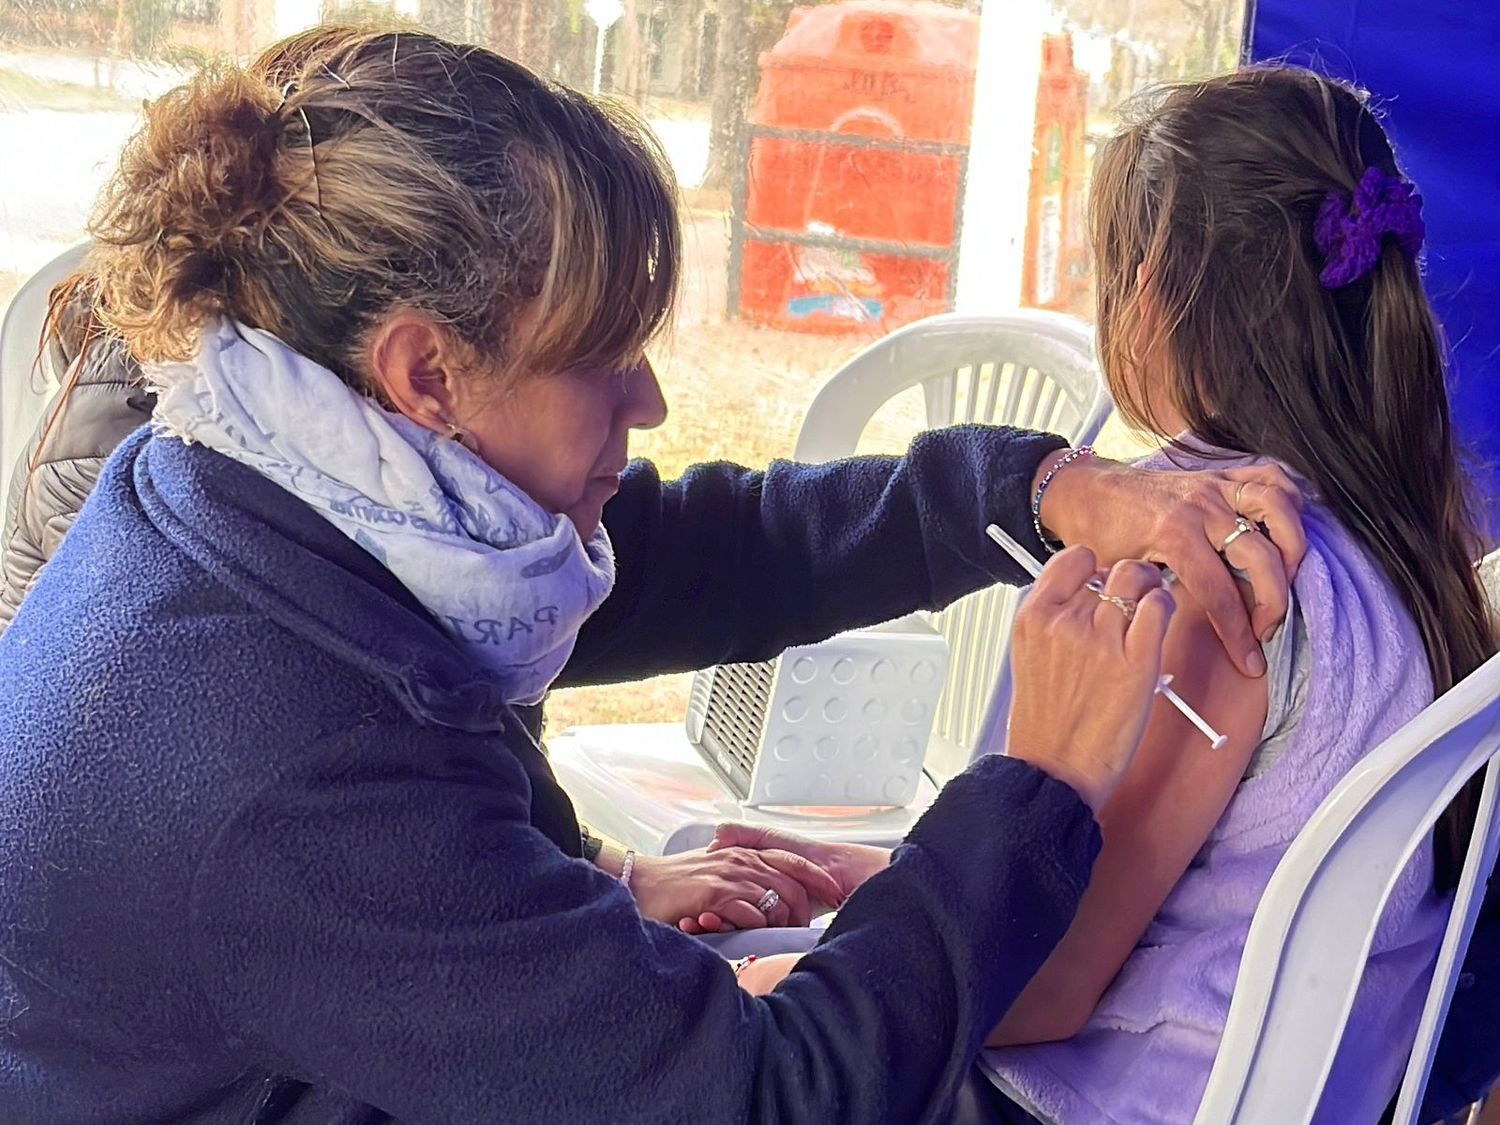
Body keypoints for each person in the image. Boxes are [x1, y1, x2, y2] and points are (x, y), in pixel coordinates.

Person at [0, 27, 1308, 1124]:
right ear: (427, 374)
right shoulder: (292, 750)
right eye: (605, 352)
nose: (654, 396)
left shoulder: (258, 503)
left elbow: (703, 554)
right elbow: (775, 1099)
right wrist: (1044, 784)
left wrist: (1027, 491)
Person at [719, 66, 1496, 1124]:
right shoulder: (1413, 539)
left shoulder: (1219, 569)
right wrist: (897, 882)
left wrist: (773, 991)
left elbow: (1038, 992)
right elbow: (1196, 888)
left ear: (1155, 292)